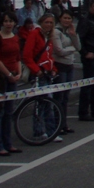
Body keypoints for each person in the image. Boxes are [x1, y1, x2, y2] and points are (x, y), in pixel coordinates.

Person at [0, 11, 23, 156]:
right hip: (1, 78)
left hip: (13, 76)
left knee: (9, 112)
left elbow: (18, 57)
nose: (9, 24)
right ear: (2, 23)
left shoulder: (15, 37)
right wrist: (8, 74)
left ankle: (8, 143)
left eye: (11, 21)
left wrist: (19, 73)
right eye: (6, 21)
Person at [23, 13, 61, 141]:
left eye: (51, 23)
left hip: (47, 73)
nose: (49, 25)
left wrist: (54, 69)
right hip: (39, 73)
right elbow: (27, 56)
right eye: (47, 22)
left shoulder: (48, 37)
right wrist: (36, 70)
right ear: (41, 22)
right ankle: (40, 131)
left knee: (46, 103)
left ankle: (50, 131)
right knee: (42, 103)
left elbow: (49, 56)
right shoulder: (35, 34)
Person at [52, 10, 81, 135]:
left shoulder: (70, 32)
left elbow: (79, 47)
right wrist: (72, 48)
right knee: (59, 96)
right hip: (60, 65)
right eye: (65, 18)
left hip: (70, 65)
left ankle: (63, 124)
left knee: (66, 97)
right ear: (60, 19)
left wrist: (74, 36)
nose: (67, 20)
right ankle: (56, 123)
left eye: (69, 18)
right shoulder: (56, 32)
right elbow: (59, 51)